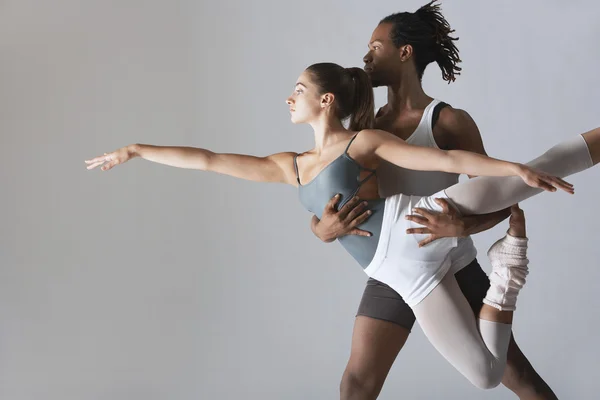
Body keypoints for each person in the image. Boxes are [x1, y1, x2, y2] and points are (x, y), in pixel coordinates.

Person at [85, 60, 600, 392]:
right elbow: (209, 159)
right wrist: (137, 150)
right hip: (398, 273)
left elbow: (444, 162)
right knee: (487, 375)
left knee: (543, 169)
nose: (289, 99)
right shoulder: (289, 165)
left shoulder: (362, 143)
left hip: (418, 223)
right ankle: (507, 275)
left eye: (298, 90)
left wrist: (512, 170)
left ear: (325, 100)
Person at [308, 2, 559, 399]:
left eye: (375, 48)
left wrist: (462, 228)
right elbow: (324, 191)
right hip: (394, 265)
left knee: (519, 378)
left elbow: (497, 198)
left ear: (404, 52)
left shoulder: (447, 121)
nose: (365, 57)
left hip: (453, 263)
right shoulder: (363, 127)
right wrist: (321, 228)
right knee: (356, 385)